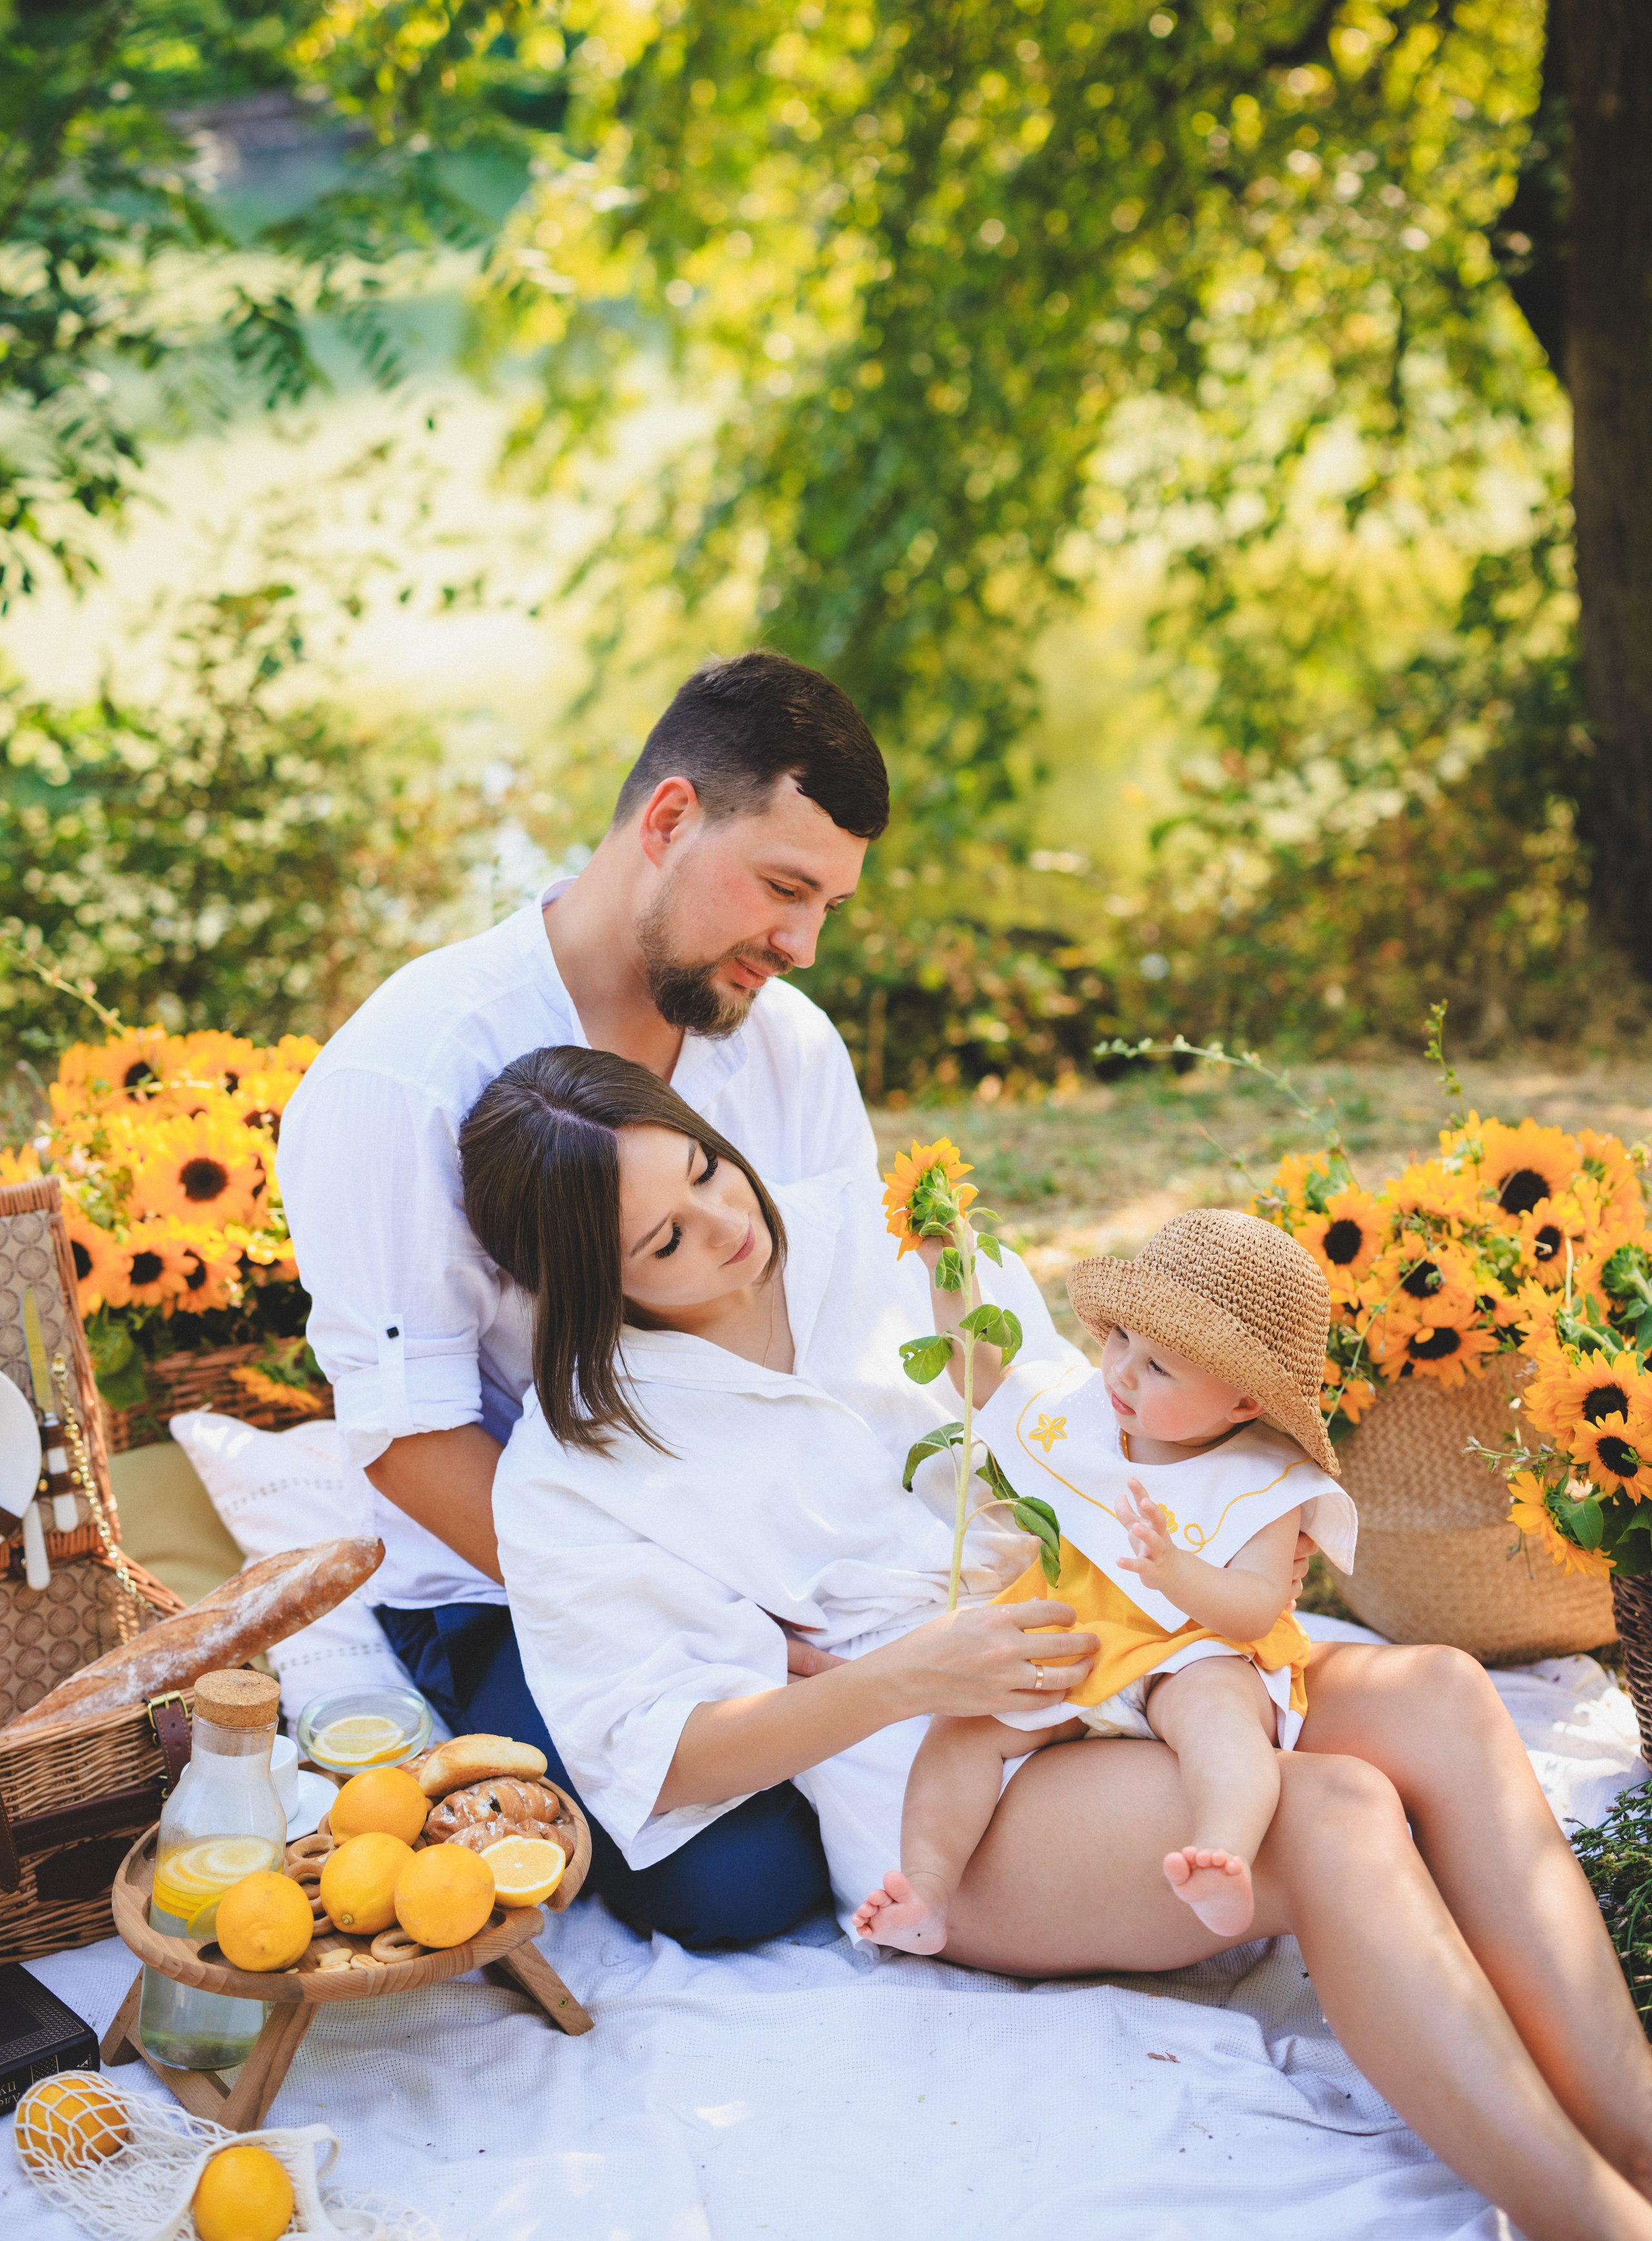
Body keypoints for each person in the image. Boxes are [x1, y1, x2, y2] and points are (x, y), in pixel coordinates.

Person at [470, 1045, 1652, 2241]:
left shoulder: (885, 1235)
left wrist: (1241, 1513)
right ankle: (1593, 2219)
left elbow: (1088, 1413)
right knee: (1330, 1810)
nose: (725, 1223)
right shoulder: (575, 1467)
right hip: (964, 1767)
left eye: (709, 1169)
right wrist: (903, 1675)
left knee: (1444, 1692)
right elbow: (664, 1757)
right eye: (663, 1240)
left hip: (1136, 1628)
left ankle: (1638, 2126)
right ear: (580, 1281)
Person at [277, 650, 891, 1946]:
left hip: (777, 1517)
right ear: (666, 820)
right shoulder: (405, 1073)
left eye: (827, 903)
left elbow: (854, 1325)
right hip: (514, 1567)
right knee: (736, 1881)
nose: (801, 944)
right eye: (782, 888)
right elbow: (409, 1433)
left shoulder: (790, 1047)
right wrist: (709, 1618)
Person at [854, 1211, 1358, 1956]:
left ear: (1245, 1402)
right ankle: (927, 1887)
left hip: (1192, 1648)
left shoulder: (1262, 1480)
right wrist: (944, 1265)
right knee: (958, 1731)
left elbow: (1255, 1608)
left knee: (1223, 1724)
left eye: (1159, 1367)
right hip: (1076, 1632)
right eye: (1121, 1338)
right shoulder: (1084, 1416)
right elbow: (980, 1377)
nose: (1121, 1371)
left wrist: (1177, 1572)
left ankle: (1224, 1854)